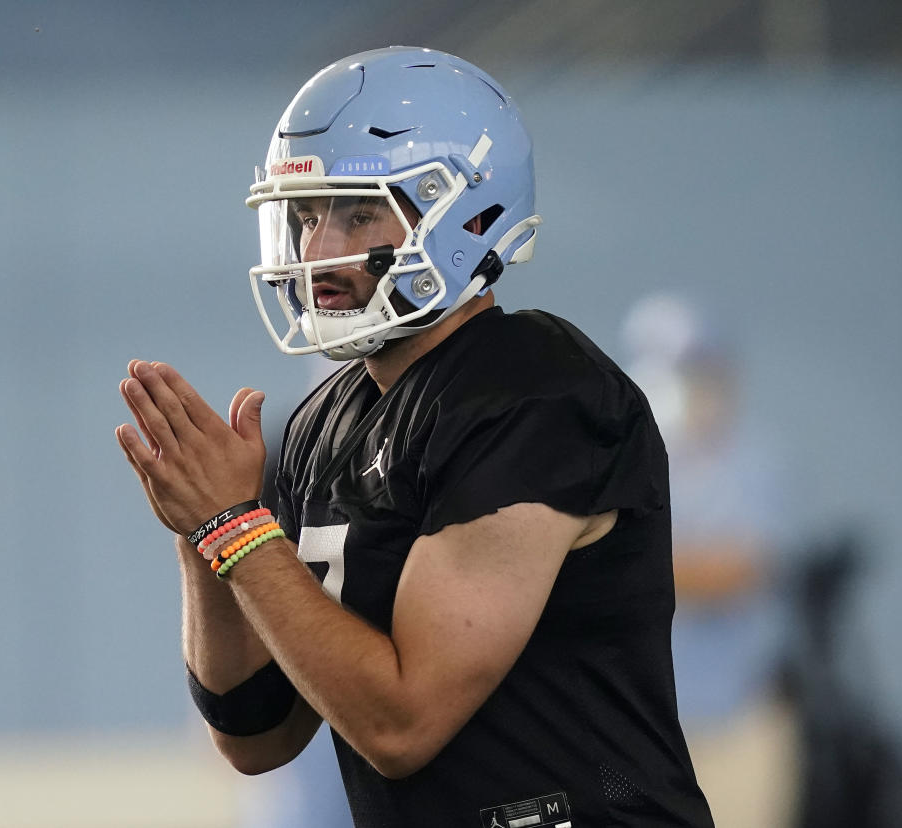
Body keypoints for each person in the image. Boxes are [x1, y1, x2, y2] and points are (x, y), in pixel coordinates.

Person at [115, 46, 713, 827]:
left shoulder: (534, 389)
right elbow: (257, 735)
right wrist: (204, 525)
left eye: (358, 212)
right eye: (305, 216)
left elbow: (402, 725)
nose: (317, 252)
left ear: (467, 211)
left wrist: (237, 527)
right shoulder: (328, 418)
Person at [621, 295, 797, 828]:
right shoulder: (616, 459)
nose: (694, 389)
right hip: (640, 726)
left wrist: (637, 568)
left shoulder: (754, 462)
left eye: (702, 370)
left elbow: (740, 570)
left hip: (735, 719)